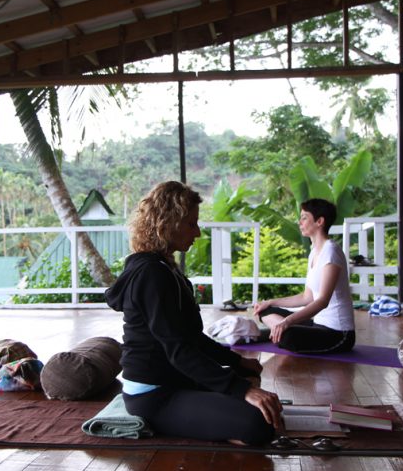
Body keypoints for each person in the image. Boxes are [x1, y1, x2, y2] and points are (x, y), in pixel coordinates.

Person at [105, 181, 282, 445]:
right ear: (168, 223)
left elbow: (192, 337)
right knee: (259, 423)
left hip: (174, 379)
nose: (197, 232)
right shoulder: (151, 275)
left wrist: (236, 362)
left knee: (249, 382)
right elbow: (178, 350)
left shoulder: (164, 268)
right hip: (153, 394)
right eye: (191, 224)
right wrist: (241, 391)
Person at [253, 198, 355, 354]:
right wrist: (270, 302)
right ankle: (277, 331)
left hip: (338, 334)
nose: (299, 222)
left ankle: (276, 332)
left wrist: (287, 322)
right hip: (317, 324)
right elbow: (306, 298)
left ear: (319, 221)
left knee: (289, 337)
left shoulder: (331, 252)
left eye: (304, 217)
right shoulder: (314, 252)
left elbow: (322, 301)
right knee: (265, 310)